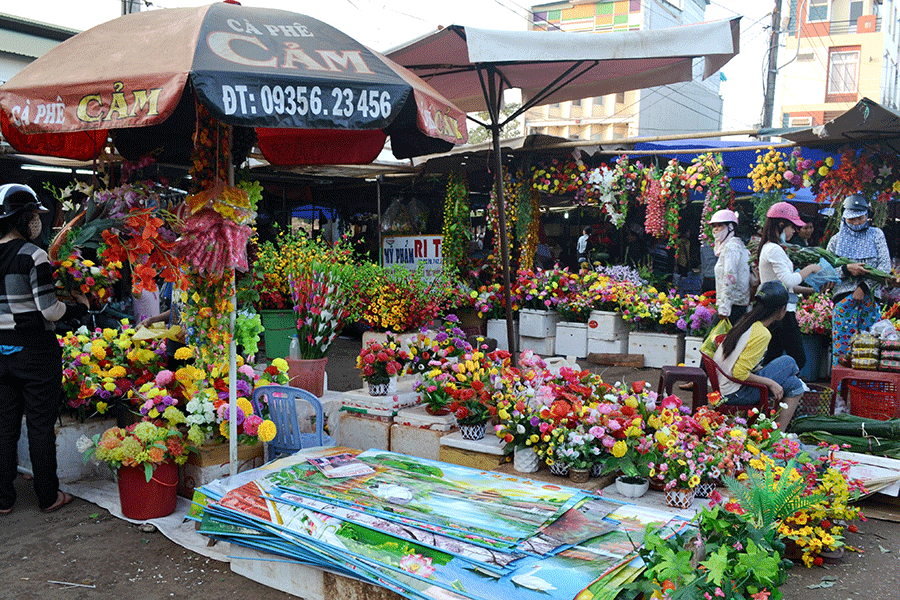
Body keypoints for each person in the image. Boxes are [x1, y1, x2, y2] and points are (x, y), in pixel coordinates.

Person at [0, 184, 88, 515]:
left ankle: (3, 499)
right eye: (34, 214)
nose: (37, 221)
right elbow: (50, 311)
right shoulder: (32, 255)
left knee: (4, 425)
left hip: (1, 352)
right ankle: (48, 496)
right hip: (35, 352)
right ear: (21, 218)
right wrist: (78, 308)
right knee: (39, 424)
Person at [713, 281, 804, 430]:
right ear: (782, 309)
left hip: (724, 385)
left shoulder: (746, 321)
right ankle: (777, 435)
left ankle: (777, 436)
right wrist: (771, 383)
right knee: (789, 362)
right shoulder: (762, 333)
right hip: (735, 393)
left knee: (794, 384)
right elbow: (739, 372)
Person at [827, 194, 892, 364]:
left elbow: (884, 267)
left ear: (867, 215)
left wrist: (863, 287)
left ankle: (866, 382)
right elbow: (825, 272)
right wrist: (846, 269)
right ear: (844, 217)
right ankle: (841, 381)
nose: (856, 223)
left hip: (869, 299)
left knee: (870, 350)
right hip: (843, 301)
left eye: (860, 218)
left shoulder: (876, 235)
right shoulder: (835, 240)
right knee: (843, 351)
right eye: (851, 219)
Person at [757, 202, 821, 371]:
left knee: (773, 356)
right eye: (792, 227)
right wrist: (810, 269)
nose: (794, 231)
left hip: (779, 309)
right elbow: (788, 281)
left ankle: (767, 385)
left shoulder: (773, 248)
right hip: (782, 312)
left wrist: (812, 290)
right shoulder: (773, 249)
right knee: (798, 359)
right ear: (781, 225)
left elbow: (785, 285)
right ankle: (775, 384)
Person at [710, 209, 750, 323]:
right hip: (736, 305)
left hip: (732, 307)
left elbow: (730, 277)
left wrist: (724, 308)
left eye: (720, 225)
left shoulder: (731, 247)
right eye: (714, 226)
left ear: (731, 227)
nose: (715, 229)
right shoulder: (737, 245)